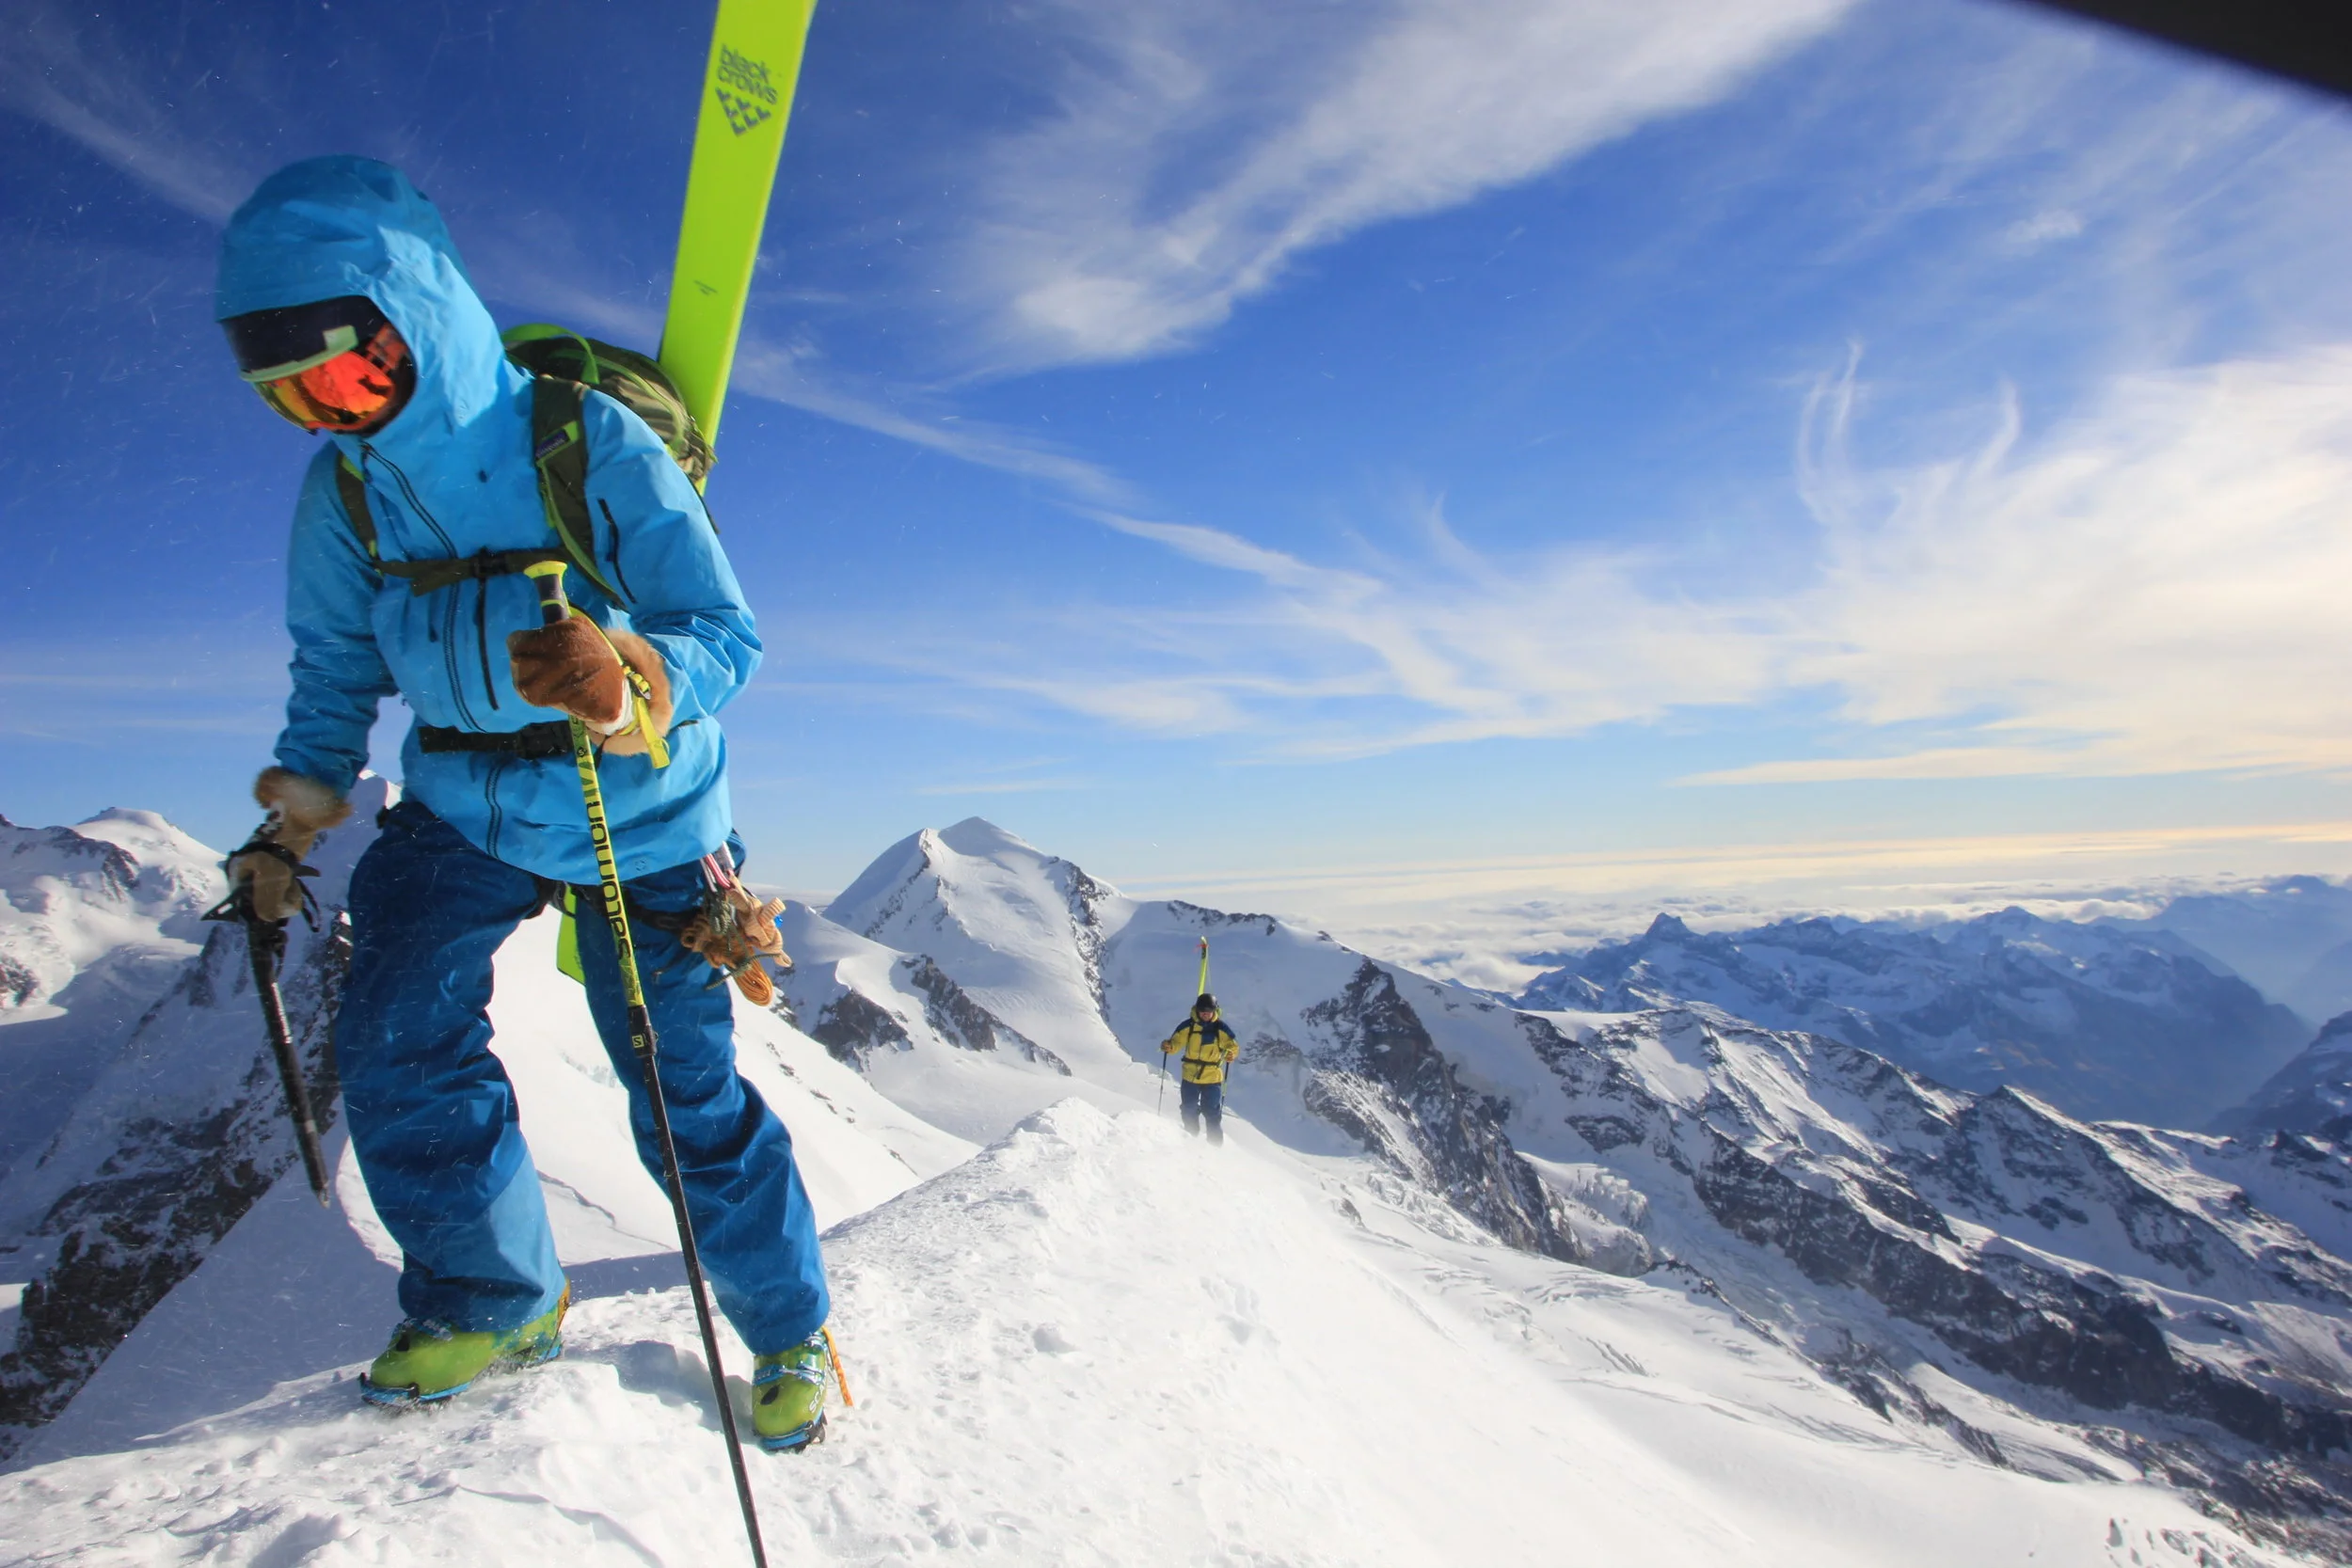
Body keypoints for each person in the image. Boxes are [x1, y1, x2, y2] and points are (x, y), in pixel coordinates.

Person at [213, 156, 830, 1451]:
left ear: (413, 317)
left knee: (678, 1089)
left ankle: (790, 1327)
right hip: (461, 801)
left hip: (643, 807)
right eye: (288, 395)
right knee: (391, 1033)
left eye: (343, 371)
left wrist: (629, 683)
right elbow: (335, 671)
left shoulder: (580, 441)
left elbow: (724, 630)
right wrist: (296, 813)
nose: (330, 414)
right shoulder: (345, 495)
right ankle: (497, 1298)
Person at [1161, 993, 1240, 1145]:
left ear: (1215, 1010)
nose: (1205, 1013)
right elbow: (1176, 1043)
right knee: (1188, 1108)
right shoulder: (1188, 1026)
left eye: (1208, 1010)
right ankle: (1192, 1139)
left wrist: (1231, 1054)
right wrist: (1169, 1047)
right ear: (1197, 1010)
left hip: (1212, 1077)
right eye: (1202, 1010)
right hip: (1190, 1075)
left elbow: (1233, 1045)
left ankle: (1215, 1145)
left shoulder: (1220, 1029)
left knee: (1212, 1112)